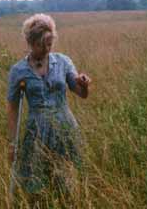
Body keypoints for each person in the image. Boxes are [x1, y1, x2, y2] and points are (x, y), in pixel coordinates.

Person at [7, 14, 91, 200]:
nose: (46, 49)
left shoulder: (63, 62)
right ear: (30, 42)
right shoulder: (18, 70)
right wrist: (12, 143)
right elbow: (13, 108)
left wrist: (83, 84)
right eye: (41, 45)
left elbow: (81, 93)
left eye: (49, 44)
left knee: (66, 180)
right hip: (37, 130)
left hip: (65, 127)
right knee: (37, 183)